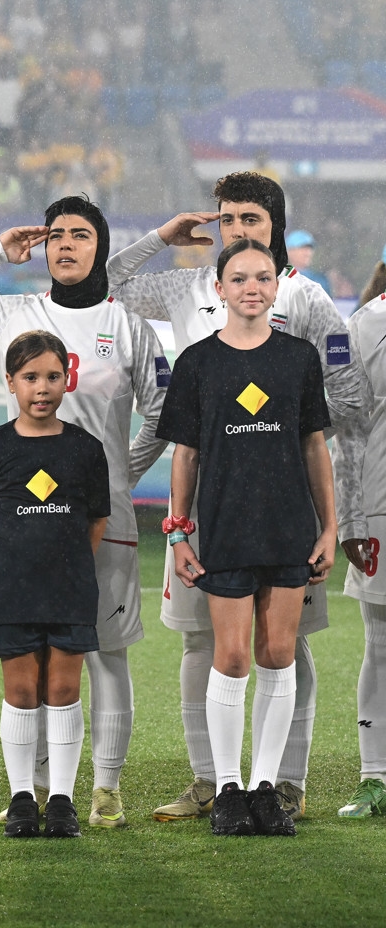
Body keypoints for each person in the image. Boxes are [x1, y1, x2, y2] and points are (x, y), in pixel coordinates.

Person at [106, 172, 369, 821]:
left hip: (283, 512)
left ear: (275, 225)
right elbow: (107, 287)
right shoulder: (186, 286)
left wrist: (280, 432)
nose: (238, 230)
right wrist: (160, 238)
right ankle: (210, 781)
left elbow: (351, 397)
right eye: (226, 220)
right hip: (209, 511)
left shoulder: (306, 301)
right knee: (206, 645)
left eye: (250, 218)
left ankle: (283, 783)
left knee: (286, 648)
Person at [0, 195, 169, 828]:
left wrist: (123, 475)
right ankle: (30, 790)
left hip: (99, 520)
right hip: (27, 522)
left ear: (100, 248)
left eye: (80, 235)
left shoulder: (130, 325)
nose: (64, 245)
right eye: (55, 234)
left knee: (105, 653)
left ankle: (104, 789)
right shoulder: (14, 311)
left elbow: (165, 415)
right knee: (28, 662)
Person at [156, 238, 336, 837]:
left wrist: (329, 527)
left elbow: (314, 447)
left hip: (288, 528)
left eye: (262, 277)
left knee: (277, 654)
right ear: (220, 288)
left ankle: (265, 789)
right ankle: (228, 789)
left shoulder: (299, 358)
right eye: (239, 278)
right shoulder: (198, 363)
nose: (251, 288)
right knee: (231, 657)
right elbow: (185, 454)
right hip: (225, 527)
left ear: (276, 287)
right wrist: (180, 533)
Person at [0, 330, 110, 838]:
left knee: (65, 689)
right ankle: (23, 795)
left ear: (67, 379)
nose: (42, 388)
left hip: (70, 589)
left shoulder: (85, 450)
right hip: (14, 592)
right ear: (10, 382)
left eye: (52, 376)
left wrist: (66, 566)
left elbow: (94, 521)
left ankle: (64, 799)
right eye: (30, 378)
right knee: (22, 692)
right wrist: (8, 567)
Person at [331, 277, 386, 818]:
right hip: (381, 507)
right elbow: (347, 430)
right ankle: (375, 778)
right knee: (382, 644)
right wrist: (351, 519)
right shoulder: (367, 324)